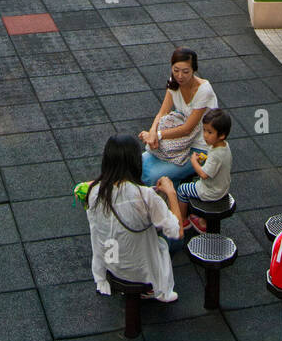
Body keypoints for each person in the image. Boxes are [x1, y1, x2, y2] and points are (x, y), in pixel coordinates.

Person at [85, 134, 183, 303]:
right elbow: (177, 231)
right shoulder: (145, 196)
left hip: (111, 260)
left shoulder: (94, 191)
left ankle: (121, 281)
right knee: (173, 239)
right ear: (136, 161)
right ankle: (151, 287)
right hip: (140, 269)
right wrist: (171, 193)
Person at [138, 47, 218, 186]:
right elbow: (162, 112)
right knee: (136, 165)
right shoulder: (174, 82)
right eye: (176, 70)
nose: (180, 76)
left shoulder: (204, 91)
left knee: (152, 177)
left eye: (185, 71)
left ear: (194, 70)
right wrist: (152, 132)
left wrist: (158, 134)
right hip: (179, 141)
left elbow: (188, 128)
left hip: (199, 147)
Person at [170, 108, 233, 234]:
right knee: (194, 181)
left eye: (210, 132)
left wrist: (194, 161)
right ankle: (203, 220)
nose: (205, 135)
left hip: (211, 191)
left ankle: (183, 220)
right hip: (223, 187)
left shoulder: (216, 155)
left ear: (221, 135)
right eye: (204, 130)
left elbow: (204, 174)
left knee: (182, 190)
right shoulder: (223, 146)